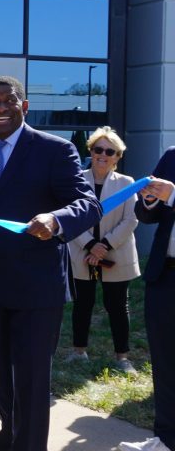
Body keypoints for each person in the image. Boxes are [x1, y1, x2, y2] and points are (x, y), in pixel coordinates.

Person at [0, 76, 101, 451]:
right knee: (2, 373)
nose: (0, 107)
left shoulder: (54, 150)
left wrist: (56, 221)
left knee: (32, 378)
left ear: (24, 105)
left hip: (37, 289)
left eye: (9, 100)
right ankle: (7, 440)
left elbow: (87, 204)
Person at [118, 150, 175, 451]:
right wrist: (151, 199)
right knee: (166, 362)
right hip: (166, 275)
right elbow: (148, 213)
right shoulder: (171, 157)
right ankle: (167, 443)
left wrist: (173, 194)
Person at [65, 127, 139, 372]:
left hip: (115, 253)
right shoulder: (76, 181)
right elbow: (70, 218)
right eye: (98, 149)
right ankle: (79, 352)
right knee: (82, 304)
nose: (103, 155)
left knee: (117, 306)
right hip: (81, 252)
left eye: (110, 151)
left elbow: (131, 220)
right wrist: (89, 245)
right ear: (91, 150)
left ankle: (122, 357)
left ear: (117, 157)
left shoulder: (127, 184)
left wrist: (103, 246)